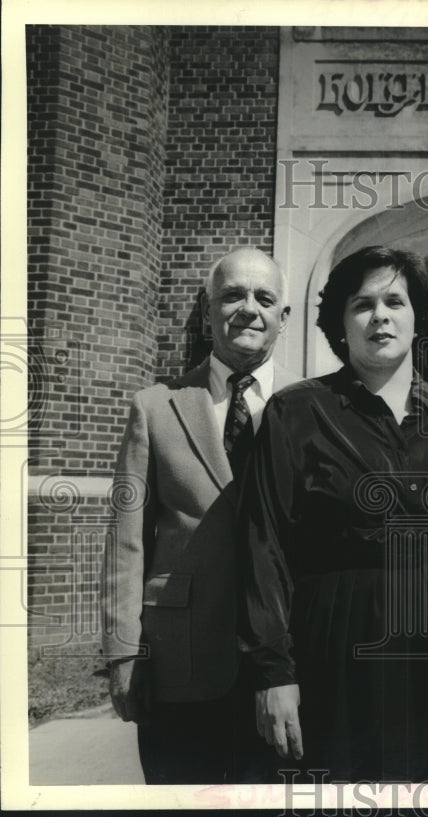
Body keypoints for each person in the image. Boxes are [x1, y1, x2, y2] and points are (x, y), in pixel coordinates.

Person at [239, 246, 428, 781]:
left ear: (417, 318)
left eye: (395, 301)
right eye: (362, 304)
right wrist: (273, 673)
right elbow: (264, 547)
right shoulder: (297, 411)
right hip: (338, 648)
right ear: (340, 324)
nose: (381, 315)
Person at [102, 247, 299, 784]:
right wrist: (123, 655)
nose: (248, 309)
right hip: (179, 666)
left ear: (285, 317)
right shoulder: (156, 406)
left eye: (264, 298)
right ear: (208, 310)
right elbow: (127, 541)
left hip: (286, 670)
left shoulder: (310, 407)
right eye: (232, 295)